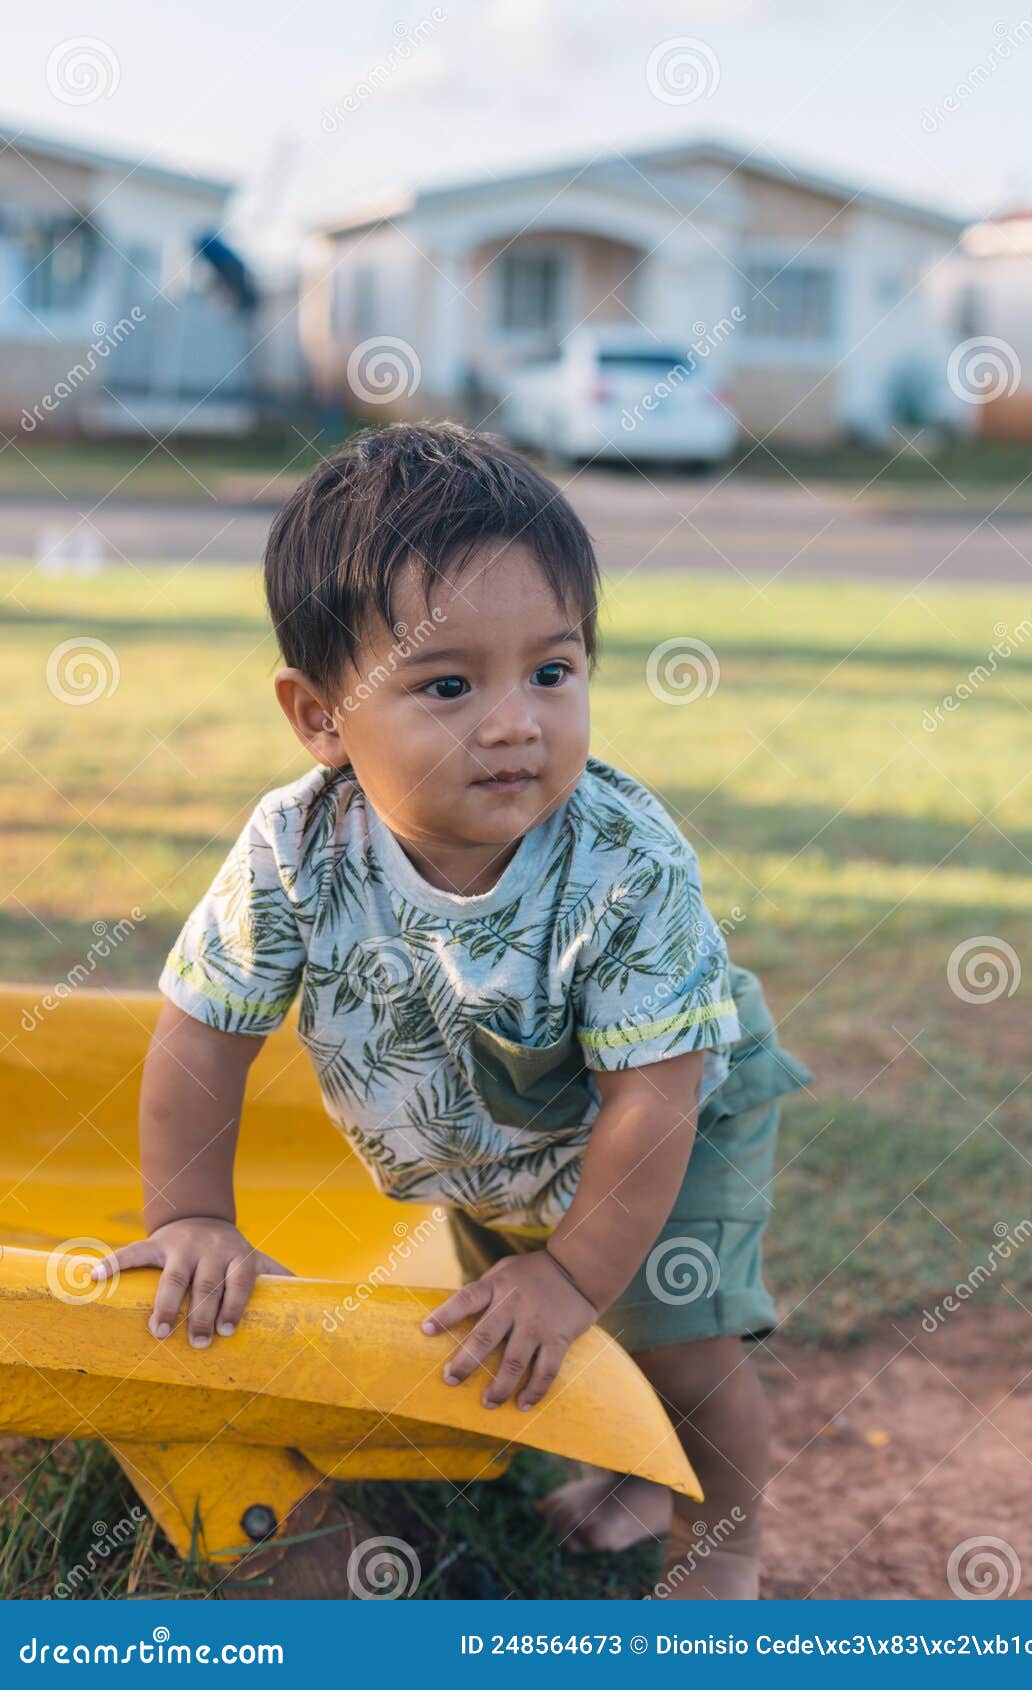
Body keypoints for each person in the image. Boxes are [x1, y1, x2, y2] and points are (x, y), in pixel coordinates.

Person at [93, 421, 814, 1600]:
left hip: (670, 1121)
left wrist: (575, 1276)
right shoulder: (294, 848)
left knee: (675, 1337)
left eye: (552, 670)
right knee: (513, 1307)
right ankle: (625, 1469)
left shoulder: (624, 862)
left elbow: (653, 1094)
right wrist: (191, 1219)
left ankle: (722, 1530)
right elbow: (198, 1038)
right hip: (486, 1139)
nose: (513, 722)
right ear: (320, 716)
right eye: (446, 684)